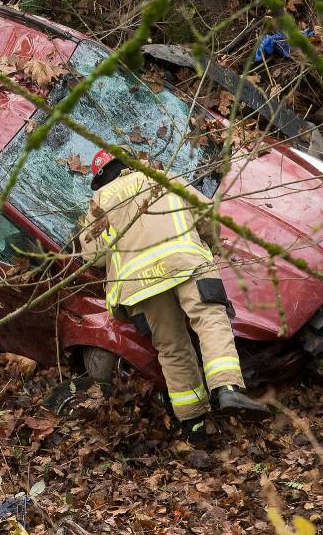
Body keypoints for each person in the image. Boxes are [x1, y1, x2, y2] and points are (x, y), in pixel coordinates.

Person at [77, 149, 271, 444]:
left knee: (172, 347)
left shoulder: (98, 205)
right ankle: (228, 390)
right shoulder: (160, 177)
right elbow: (204, 212)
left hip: (141, 285)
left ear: (100, 180)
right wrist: (212, 243)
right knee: (209, 320)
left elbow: (94, 258)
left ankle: (193, 425)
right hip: (186, 264)